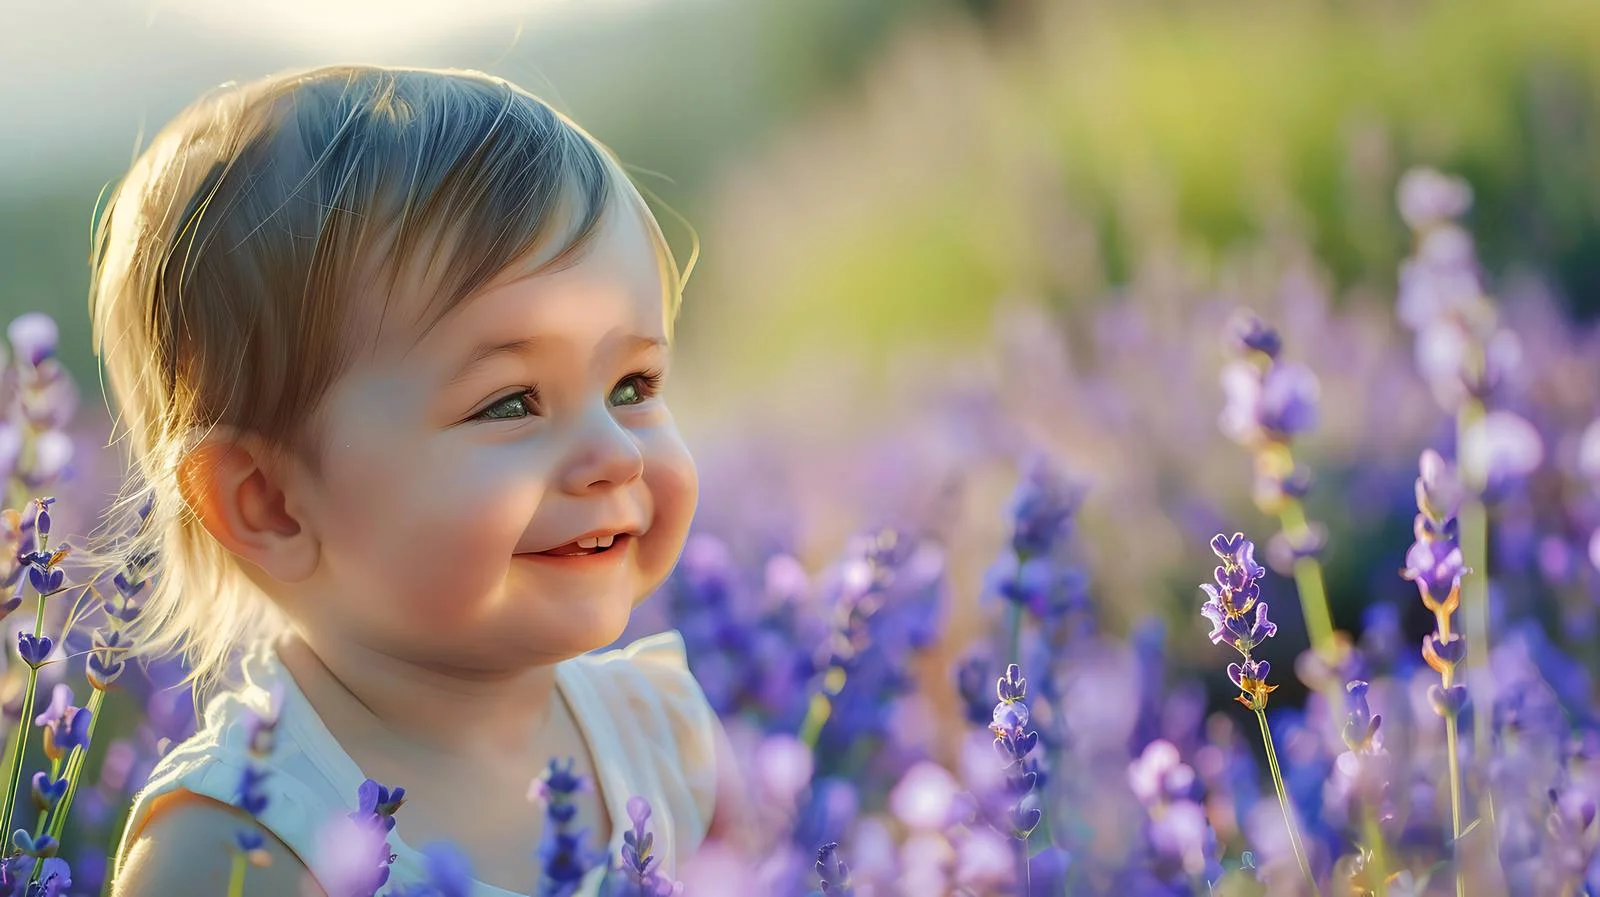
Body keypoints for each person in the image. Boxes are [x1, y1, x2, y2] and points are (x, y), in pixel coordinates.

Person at [88, 63, 744, 896]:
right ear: (271, 503)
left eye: (633, 387)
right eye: (511, 402)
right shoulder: (236, 848)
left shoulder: (672, 740)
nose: (614, 453)